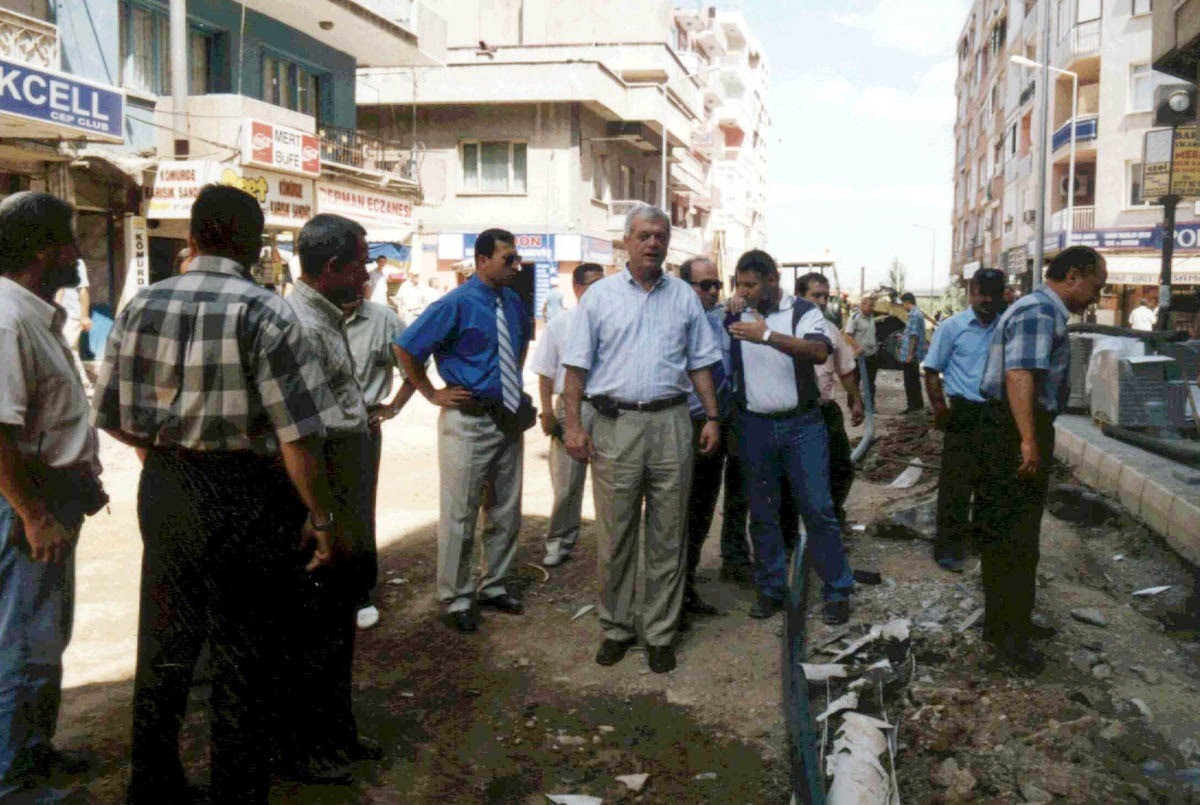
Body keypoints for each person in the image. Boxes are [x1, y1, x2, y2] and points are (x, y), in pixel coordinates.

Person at [93, 184, 339, 803]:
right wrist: (321, 517)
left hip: (168, 484)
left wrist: (163, 454)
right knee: (244, 650)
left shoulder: (142, 305)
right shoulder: (267, 312)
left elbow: (112, 414)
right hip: (247, 491)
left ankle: (153, 785)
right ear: (255, 246)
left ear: (193, 238)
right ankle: (236, 789)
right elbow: (298, 435)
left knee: (165, 640)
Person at [561, 205, 722, 674]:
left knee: (668, 533)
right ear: (627, 241)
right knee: (616, 534)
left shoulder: (684, 297)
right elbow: (575, 369)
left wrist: (712, 417)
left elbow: (700, 363)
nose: (653, 243)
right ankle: (616, 627)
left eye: (660, 236)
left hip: (672, 422)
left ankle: (660, 632)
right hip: (616, 426)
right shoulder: (600, 296)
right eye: (645, 235)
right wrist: (573, 426)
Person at [0, 192, 107, 801]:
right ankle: (14, 779)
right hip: (28, 502)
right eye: (70, 241)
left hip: (47, 498)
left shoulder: (33, 314)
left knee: (41, 635)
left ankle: (31, 754)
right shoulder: (8, 318)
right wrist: (33, 514)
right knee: (25, 641)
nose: (77, 254)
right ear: (44, 251)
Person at [281, 214, 384, 782]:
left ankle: (336, 730)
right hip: (325, 483)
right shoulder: (302, 325)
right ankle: (310, 744)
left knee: (338, 617)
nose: (367, 274)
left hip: (344, 479)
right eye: (360, 264)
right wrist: (318, 513)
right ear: (333, 267)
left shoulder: (326, 316)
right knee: (315, 627)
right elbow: (304, 434)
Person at [976, 246, 1107, 673]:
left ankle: (1007, 623)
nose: (1096, 296)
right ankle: (1009, 638)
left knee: (1012, 532)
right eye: (1096, 286)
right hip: (1015, 428)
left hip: (1013, 426)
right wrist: (1029, 439)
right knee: (1014, 536)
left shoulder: (1040, 309)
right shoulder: (1039, 312)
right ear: (1074, 276)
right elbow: (1019, 375)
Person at [396, 229, 532, 634]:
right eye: (508, 259)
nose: (516, 266)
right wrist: (431, 393)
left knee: (505, 508)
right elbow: (406, 348)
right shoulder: (455, 303)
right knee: (461, 513)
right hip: (468, 420)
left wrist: (508, 381)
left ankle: (495, 585)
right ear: (482, 260)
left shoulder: (513, 301)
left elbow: (519, 344)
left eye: (516, 258)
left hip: (507, 416)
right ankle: (456, 596)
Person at [727, 250, 854, 625]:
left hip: (802, 425)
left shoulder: (803, 311)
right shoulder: (735, 312)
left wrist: (766, 335)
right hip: (754, 425)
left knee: (818, 509)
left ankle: (838, 591)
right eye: (740, 284)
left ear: (772, 280)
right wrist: (731, 307)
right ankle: (771, 589)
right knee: (763, 513)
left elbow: (818, 351)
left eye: (751, 285)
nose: (744, 291)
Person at [921, 268, 1007, 574]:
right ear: (971, 294)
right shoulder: (952, 327)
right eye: (981, 293)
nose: (986, 300)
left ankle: (982, 545)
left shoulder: (1007, 328)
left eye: (993, 294)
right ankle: (948, 550)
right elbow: (932, 370)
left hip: (997, 415)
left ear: (1002, 296)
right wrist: (939, 409)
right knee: (955, 484)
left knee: (991, 483)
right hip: (963, 413)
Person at [343, 282, 417, 629]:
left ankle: (360, 593)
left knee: (358, 511)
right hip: (312, 426)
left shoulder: (384, 319)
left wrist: (394, 407)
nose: (360, 283)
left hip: (362, 428)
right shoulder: (306, 314)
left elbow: (414, 366)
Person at [531, 262, 604, 568]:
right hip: (572, 408)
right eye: (593, 286)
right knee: (567, 483)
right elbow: (546, 371)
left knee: (610, 482)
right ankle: (559, 541)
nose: (599, 292)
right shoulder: (561, 324)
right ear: (576, 288)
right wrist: (547, 411)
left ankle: (610, 546)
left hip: (607, 408)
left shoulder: (614, 321)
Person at [678, 256, 733, 618]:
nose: (713, 292)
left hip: (716, 424)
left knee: (702, 508)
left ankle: (688, 584)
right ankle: (672, 593)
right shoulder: (675, 320)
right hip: (685, 423)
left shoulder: (721, 320)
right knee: (679, 510)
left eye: (717, 285)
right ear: (686, 287)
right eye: (705, 285)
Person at [797, 273, 865, 529]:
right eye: (816, 295)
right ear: (800, 296)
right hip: (795, 414)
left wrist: (855, 400)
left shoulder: (831, 330)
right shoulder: (786, 329)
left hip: (824, 410)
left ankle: (832, 519)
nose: (823, 301)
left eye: (826, 296)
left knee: (840, 467)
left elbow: (845, 370)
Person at [54, 258, 93, 396]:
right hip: (57, 313)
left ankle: (84, 385)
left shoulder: (77, 263)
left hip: (70, 314)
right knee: (66, 350)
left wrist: (84, 316)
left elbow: (83, 289)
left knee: (67, 349)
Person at [844, 295, 878, 405]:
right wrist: (857, 347)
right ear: (862, 305)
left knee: (870, 382)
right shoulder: (855, 318)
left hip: (871, 355)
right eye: (870, 305)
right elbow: (847, 335)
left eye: (873, 306)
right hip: (858, 357)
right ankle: (853, 405)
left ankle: (869, 405)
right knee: (855, 382)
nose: (872, 308)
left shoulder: (871, 318)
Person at [899, 292, 929, 413]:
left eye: (903, 304)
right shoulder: (917, 313)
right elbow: (911, 334)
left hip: (911, 355)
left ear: (907, 302)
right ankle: (917, 404)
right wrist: (903, 337)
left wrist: (910, 354)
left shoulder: (914, 315)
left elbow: (914, 336)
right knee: (914, 380)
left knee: (910, 381)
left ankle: (912, 405)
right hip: (913, 354)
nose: (903, 307)